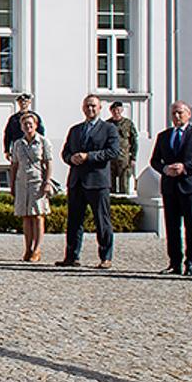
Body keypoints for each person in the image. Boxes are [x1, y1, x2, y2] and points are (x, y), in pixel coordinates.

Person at [150, 101, 192, 276]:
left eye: (179, 113)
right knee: (172, 227)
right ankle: (174, 263)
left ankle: (191, 263)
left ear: (188, 114)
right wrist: (164, 169)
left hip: (190, 187)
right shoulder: (164, 136)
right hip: (170, 187)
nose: (176, 117)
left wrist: (185, 167)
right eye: (173, 114)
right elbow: (154, 160)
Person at [58, 94, 121, 269]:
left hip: (97, 181)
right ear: (83, 108)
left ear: (100, 108)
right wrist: (72, 158)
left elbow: (113, 152)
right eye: (87, 106)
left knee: (102, 221)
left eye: (93, 106)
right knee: (74, 221)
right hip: (77, 181)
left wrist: (89, 156)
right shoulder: (76, 130)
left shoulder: (109, 129)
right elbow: (65, 153)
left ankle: (105, 257)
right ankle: (71, 256)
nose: (90, 109)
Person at [9, 112, 53, 262]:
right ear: (21, 127)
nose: (28, 126)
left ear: (36, 125)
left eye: (30, 124)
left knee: (38, 216)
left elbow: (48, 163)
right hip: (22, 182)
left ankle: (37, 249)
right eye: (25, 124)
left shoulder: (43, 142)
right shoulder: (17, 144)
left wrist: (47, 182)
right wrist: (12, 184)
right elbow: (14, 165)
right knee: (26, 216)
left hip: (37, 181)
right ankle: (27, 249)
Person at [109, 102, 139, 195]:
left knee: (124, 181)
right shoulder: (108, 124)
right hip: (110, 156)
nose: (116, 112)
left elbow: (134, 141)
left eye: (118, 110)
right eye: (114, 110)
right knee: (110, 182)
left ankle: (124, 200)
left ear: (121, 110)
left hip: (124, 157)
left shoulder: (128, 123)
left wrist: (133, 157)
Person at [2, 93, 43, 157]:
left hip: (32, 147)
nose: (23, 103)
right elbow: (8, 134)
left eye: (25, 101)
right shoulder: (13, 118)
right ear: (18, 103)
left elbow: (41, 132)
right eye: (21, 101)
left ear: (29, 102)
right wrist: (7, 150)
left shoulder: (35, 117)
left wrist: (41, 147)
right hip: (18, 148)